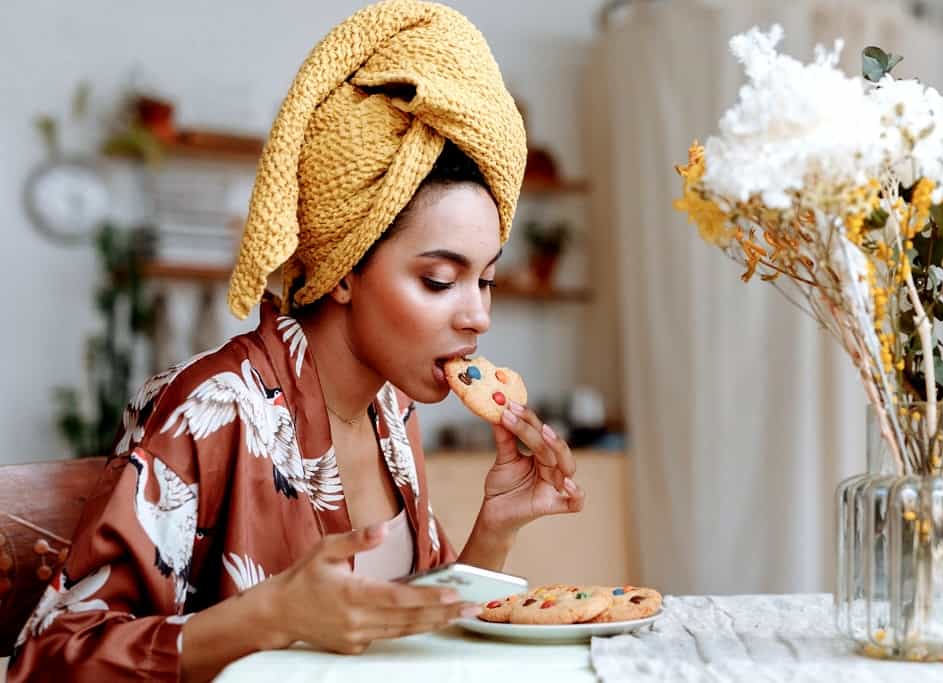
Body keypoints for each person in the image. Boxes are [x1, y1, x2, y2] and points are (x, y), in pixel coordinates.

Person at [8, 2, 584, 681]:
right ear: (343, 272)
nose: (477, 316)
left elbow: (415, 644)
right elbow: (45, 660)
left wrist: (497, 528)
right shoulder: (216, 408)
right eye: (438, 279)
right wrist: (267, 616)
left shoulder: (392, 412)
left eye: (484, 281)